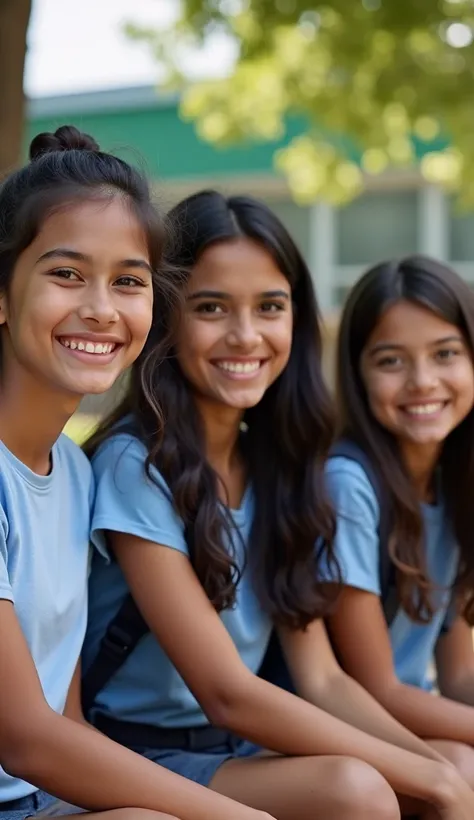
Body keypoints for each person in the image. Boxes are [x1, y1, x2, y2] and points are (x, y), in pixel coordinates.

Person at [84, 191, 474, 820]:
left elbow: (322, 679)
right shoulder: (137, 464)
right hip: (136, 754)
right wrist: (428, 778)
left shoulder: (278, 466)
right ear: (167, 317)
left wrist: (439, 775)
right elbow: (226, 693)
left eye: (270, 306)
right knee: (360, 791)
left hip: (235, 752)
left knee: (451, 769)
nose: (245, 335)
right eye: (211, 307)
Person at [0, 131, 271, 820]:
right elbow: (25, 738)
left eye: (129, 281)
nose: (101, 307)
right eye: (66, 274)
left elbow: (64, 719)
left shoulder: (72, 475)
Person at [324, 255, 474, 796]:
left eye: (446, 354)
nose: (423, 381)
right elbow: (377, 688)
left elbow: (455, 675)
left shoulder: (454, 487)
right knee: (465, 767)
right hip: (350, 729)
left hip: (412, 722)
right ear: (358, 373)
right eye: (391, 361)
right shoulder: (349, 486)